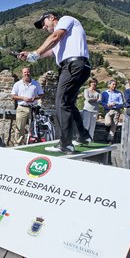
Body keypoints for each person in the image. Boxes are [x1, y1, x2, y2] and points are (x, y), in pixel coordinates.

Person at [18, 11, 92, 153]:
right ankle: (83, 135)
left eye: (43, 23)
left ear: (52, 18)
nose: (44, 27)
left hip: (73, 65)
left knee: (61, 103)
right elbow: (50, 52)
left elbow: (55, 37)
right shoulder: (63, 39)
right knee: (68, 103)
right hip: (77, 66)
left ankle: (66, 143)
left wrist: (36, 53)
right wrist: (30, 55)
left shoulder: (65, 20)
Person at [11, 67, 44, 145]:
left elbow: (41, 94)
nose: (26, 74)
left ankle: (33, 144)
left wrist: (34, 98)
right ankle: (17, 145)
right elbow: (13, 96)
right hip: (22, 108)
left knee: (34, 127)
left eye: (28, 72)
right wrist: (23, 98)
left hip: (33, 108)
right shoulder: (17, 84)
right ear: (22, 74)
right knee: (19, 127)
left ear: (30, 73)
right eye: (25, 72)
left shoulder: (36, 83)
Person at [101, 80, 123, 144]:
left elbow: (121, 103)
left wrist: (115, 104)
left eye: (115, 84)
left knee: (114, 126)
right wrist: (107, 105)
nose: (114, 85)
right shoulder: (104, 93)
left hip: (116, 110)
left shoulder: (119, 93)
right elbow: (101, 102)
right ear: (109, 85)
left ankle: (110, 139)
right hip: (108, 110)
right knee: (108, 123)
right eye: (113, 84)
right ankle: (107, 127)